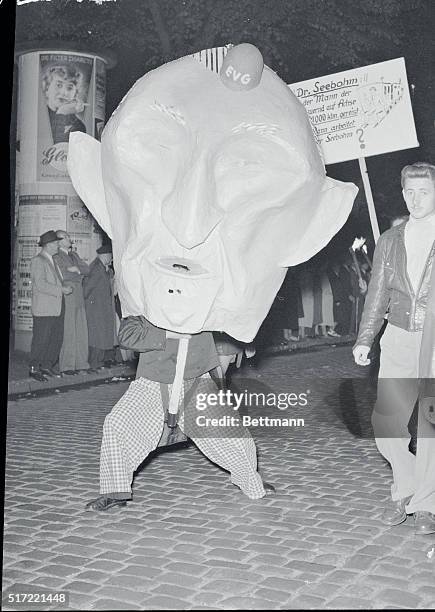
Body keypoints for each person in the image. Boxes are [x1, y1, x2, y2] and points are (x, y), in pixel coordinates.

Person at [86, 316, 275, 511]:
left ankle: (250, 480)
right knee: (117, 423)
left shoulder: (202, 295)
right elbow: (127, 335)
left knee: (228, 431)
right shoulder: (146, 297)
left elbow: (230, 313)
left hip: (195, 375)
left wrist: (246, 338)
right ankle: (114, 492)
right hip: (154, 377)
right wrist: (170, 334)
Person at [353, 162, 435, 535]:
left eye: (425, 192)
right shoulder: (390, 239)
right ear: (403, 194)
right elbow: (377, 294)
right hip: (399, 335)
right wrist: (365, 338)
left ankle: (425, 505)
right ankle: (406, 485)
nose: (417, 200)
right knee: (386, 423)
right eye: (410, 192)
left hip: (433, 337)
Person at [29, 230, 73, 381]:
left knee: (55, 338)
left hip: (57, 307)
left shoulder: (53, 260)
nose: (58, 245)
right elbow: (40, 284)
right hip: (44, 309)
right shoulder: (38, 261)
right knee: (41, 339)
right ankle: (34, 368)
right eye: (55, 243)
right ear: (47, 245)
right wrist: (61, 289)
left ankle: (47, 366)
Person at [53, 230, 90, 375]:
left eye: (68, 236)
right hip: (68, 294)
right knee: (69, 330)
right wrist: (75, 272)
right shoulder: (56, 256)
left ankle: (81, 364)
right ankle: (67, 366)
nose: (69, 239)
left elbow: (87, 269)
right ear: (59, 241)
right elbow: (63, 274)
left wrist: (77, 270)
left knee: (81, 330)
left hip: (78, 293)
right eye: (66, 237)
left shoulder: (74, 255)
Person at [83, 243, 117, 371]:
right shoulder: (97, 268)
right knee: (96, 336)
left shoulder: (102, 267)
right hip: (96, 309)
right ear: (106, 255)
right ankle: (94, 363)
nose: (112, 259)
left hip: (100, 308)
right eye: (111, 256)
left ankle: (98, 362)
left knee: (100, 335)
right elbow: (86, 288)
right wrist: (89, 304)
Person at [42, 64, 86, 144]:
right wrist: (61, 112)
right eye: (59, 85)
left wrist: (62, 112)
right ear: (47, 87)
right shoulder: (37, 119)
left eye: (69, 88)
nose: (64, 92)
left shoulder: (79, 126)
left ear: (75, 94)